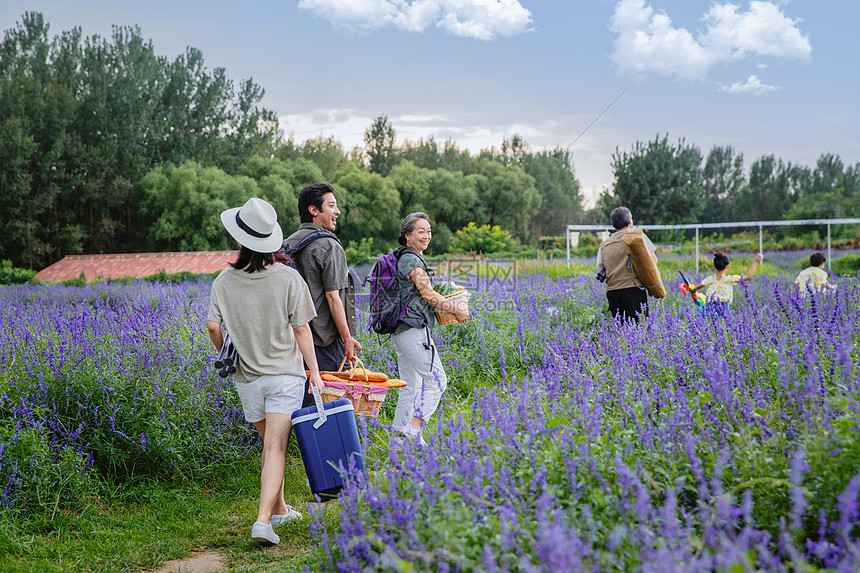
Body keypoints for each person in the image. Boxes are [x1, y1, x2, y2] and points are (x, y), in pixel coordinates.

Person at [206, 197, 325, 546]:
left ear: (241, 239)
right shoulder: (288, 277)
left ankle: (281, 509)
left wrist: (229, 350)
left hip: (247, 379)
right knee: (276, 449)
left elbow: (213, 327)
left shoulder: (224, 281)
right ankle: (262, 522)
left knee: (269, 445)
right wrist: (314, 373)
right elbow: (302, 330)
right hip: (285, 377)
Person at [391, 212, 468, 445]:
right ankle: (413, 430)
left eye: (429, 231)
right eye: (421, 231)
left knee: (411, 386)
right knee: (437, 380)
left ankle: (398, 441)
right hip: (413, 330)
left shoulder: (403, 257)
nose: (426, 235)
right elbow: (427, 293)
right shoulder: (411, 260)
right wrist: (456, 309)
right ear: (407, 235)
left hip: (402, 331)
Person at [284, 183, 361, 408]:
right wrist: (347, 338)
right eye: (332, 205)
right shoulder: (328, 246)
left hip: (293, 338)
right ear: (313, 210)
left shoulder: (285, 246)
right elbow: (332, 297)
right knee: (333, 404)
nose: (337, 211)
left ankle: (298, 443)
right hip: (325, 341)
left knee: (301, 399)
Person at [596, 206, 658, 322]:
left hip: (613, 292)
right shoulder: (638, 237)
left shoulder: (604, 245)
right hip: (634, 290)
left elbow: (600, 268)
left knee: (620, 329)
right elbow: (653, 261)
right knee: (638, 330)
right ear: (630, 221)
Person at [689, 251, 764, 317]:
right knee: (724, 327)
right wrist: (755, 262)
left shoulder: (711, 279)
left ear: (714, 267)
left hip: (709, 307)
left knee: (705, 324)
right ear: (728, 266)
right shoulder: (729, 279)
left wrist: (693, 290)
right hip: (724, 308)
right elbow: (748, 277)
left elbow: (698, 286)